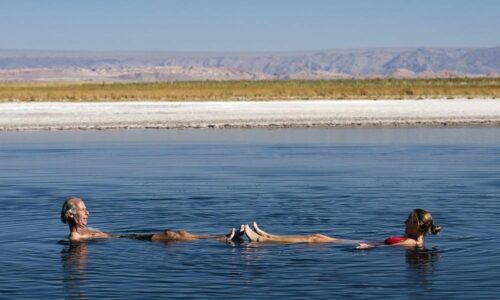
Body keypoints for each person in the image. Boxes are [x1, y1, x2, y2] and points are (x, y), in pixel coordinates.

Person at [60, 197, 243, 242]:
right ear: (71, 215)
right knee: (173, 236)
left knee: (179, 233)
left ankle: (222, 236)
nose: (88, 213)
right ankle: (224, 239)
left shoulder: (86, 229)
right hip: (133, 242)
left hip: (130, 237)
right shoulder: (76, 238)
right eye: (83, 210)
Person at [243, 208, 441, 248]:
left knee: (314, 239)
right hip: (360, 241)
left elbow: (384, 247)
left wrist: (366, 248)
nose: (404, 222)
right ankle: (268, 235)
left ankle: (262, 240)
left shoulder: (410, 243)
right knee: (317, 235)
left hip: (362, 244)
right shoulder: (413, 241)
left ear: (416, 225)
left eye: (407, 220)